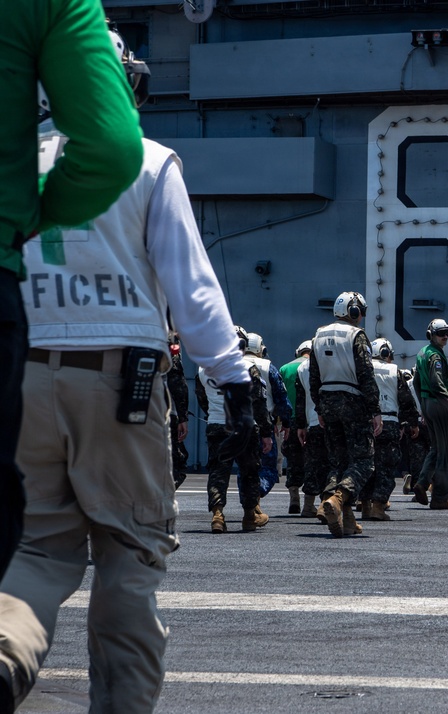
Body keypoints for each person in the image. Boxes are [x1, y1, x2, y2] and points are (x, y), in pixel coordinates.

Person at [0, 28, 253, 710]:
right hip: (123, 384)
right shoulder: (147, 159)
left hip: (22, 379)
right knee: (130, 554)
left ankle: (5, 655)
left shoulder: (13, 165)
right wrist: (232, 377)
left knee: (36, 549)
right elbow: (193, 291)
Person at [1, 0, 145, 588]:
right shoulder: (157, 164)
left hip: (43, 359)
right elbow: (113, 150)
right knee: (131, 544)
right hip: (109, 364)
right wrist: (25, 218)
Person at [311, 291, 382, 538]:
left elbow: (314, 375)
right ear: (353, 311)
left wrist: (319, 407)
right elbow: (366, 374)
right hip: (353, 401)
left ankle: (343, 517)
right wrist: (375, 410)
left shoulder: (318, 335)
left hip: (327, 401)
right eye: (360, 311)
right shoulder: (356, 335)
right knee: (364, 460)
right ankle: (338, 498)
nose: (361, 316)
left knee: (339, 461)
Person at [197, 327, 273, 533]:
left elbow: (202, 399)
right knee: (249, 471)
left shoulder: (204, 368)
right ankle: (249, 516)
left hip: (216, 426)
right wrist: (267, 433)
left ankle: (218, 516)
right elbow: (258, 403)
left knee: (217, 472)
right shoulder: (248, 367)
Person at [361, 338, 419, 520]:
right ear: (387, 353)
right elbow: (406, 401)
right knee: (386, 467)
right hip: (389, 423)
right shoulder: (395, 371)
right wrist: (412, 423)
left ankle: (364, 505)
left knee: (364, 464)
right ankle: (378, 506)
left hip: (364, 423)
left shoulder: (361, 370)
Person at [412, 319, 448, 510]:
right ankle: (440, 498)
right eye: (441, 333)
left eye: (447, 332)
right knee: (446, 454)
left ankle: (422, 483)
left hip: (427, 404)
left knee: (435, 448)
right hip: (440, 405)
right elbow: (436, 383)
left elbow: (417, 383)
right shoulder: (435, 356)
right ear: (431, 335)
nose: (445, 336)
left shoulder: (422, 353)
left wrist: (423, 407)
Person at [242, 331, 292, 500]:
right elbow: (281, 398)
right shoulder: (267, 366)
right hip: (263, 424)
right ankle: (255, 494)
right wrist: (286, 421)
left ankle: (250, 508)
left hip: (235, 423)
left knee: (245, 468)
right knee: (269, 469)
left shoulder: (230, 364)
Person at [293, 344, 329, 519]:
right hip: (335, 422)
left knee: (313, 465)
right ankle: (327, 503)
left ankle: (308, 505)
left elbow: (300, 400)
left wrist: (301, 425)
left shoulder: (302, 367)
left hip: (312, 423)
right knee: (334, 464)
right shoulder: (333, 361)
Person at [279, 340, 312, 513]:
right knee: (314, 460)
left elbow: (279, 395)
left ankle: (294, 498)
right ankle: (309, 502)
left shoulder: (285, 369)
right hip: (311, 419)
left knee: (293, 460)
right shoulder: (316, 367)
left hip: (290, 421)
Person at [167, 332, 190, 488]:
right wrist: (183, 417)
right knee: (177, 463)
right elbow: (177, 382)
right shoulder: (172, 345)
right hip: (165, 412)